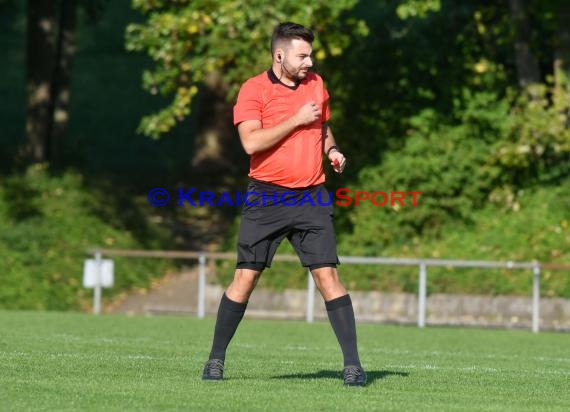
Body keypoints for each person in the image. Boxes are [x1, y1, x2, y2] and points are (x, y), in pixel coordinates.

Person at [202, 22, 366, 387]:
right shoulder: (253, 90)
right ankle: (215, 360)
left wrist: (333, 150)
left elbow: (323, 127)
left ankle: (353, 366)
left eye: (311, 54)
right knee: (245, 279)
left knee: (329, 278)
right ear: (280, 56)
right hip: (267, 196)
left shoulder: (316, 85)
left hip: (311, 195)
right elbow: (251, 143)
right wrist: (295, 120)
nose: (309, 61)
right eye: (302, 55)